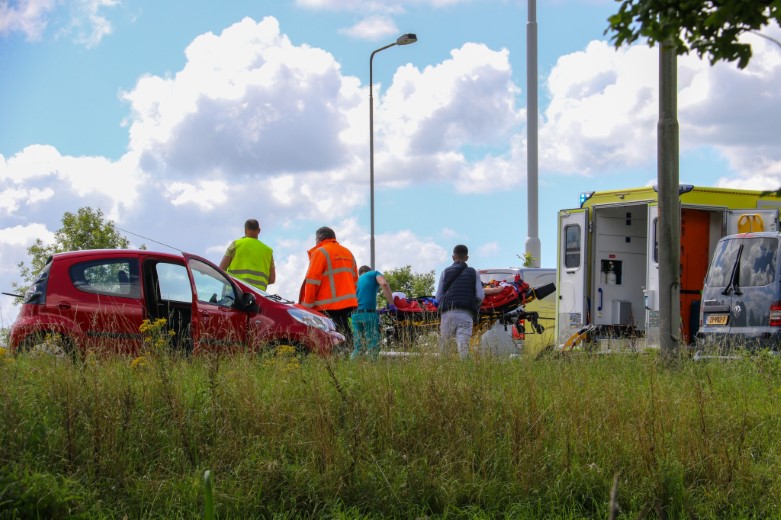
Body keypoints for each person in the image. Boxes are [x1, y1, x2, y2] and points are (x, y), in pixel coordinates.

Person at [300, 226, 358, 345]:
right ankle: (350, 356)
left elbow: (312, 281)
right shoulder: (348, 253)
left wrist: (307, 306)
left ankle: (337, 357)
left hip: (327, 305)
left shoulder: (320, 252)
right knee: (344, 331)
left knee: (327, 336)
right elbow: (355, 280)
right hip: (347, 303)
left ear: (319, 239)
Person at [435, 244, 484, 359]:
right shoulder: (473, 273)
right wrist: (473, 305)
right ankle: (466, 373)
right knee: (463, 349)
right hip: (465, 314)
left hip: (447, 314)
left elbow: (438, 297)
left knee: (444, 349)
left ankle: (443, 373)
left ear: (453, 257)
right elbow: (480, 296)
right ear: (467, 258)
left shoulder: (445, 272)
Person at [351, 265, 396, 360]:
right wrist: (391, 304)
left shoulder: (355, 281)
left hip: (355, 315)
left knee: (358, 347)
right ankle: (373, 370)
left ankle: (350, 368)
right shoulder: (374, 273)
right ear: (369, 271)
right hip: (369, 315)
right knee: (373, 345)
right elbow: (384, 284)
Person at [219, 219, 276, 291]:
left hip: (235, 293)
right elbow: (272, 279)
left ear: (245, 230)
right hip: (258, 296)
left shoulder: (236, 244)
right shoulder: (268, 251)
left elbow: (221, 269)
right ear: (259, 230)